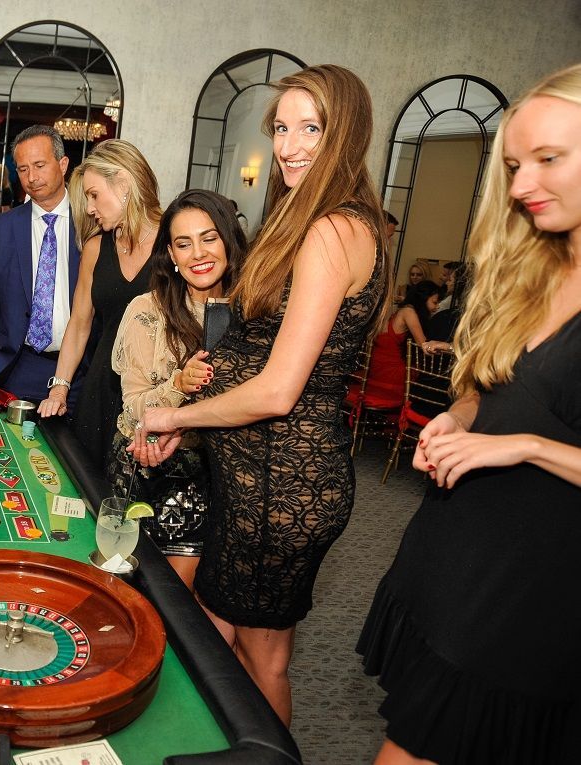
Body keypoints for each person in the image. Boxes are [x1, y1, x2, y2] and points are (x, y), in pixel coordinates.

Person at [133, 64, 388, 725]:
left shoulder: (333, 228)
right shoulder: (313, 218)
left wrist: (176, 414)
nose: (290, 144)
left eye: (311, 127)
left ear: (347, 133)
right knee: (213, 645)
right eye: (281, 127)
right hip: (255, 477)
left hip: (284, 486)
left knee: (261, 661)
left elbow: (278, 390)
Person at [358, 63, 581, 765]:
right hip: (454, 554)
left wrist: (527, 448)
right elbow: (485, 388)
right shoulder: (530, 265)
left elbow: (528, 435)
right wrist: (459, 417)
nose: (518, 187)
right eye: (514, 165)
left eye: (548, 160)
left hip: (533, 589)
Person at [110, 190, 245, 587]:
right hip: (145, 469)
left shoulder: (254, 313)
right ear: (170, 253)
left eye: (209, 237)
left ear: (228, 241)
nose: (197, 253)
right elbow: (134, 409)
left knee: (194, 616)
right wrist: (177, 385)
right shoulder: (145, 311)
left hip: (222, 478)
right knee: (134, 601)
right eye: (183, 243)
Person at [37, 139, 162, 468]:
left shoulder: (174, 241)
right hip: (101, 388)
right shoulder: (95, 247)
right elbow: (79, 325)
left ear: (122, 184)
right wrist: (60, 389)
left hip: (157, 394)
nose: (90, 208)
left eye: (94, 194)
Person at [0, 125, 83, 403]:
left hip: (81, 373)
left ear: (62, 164)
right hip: (18, 367)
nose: (32, 177)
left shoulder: (91, 225)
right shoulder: (1, 228)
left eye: (39, 165)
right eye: (23, 169)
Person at [355, 280, 442, 406]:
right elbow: (423, 345)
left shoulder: (402, 310)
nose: (437, 306)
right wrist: (445, 346)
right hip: (389, 374)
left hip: (377, 370)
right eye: (434, 302)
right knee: (430, 381)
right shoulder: (408, 312)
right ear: (423, 299)